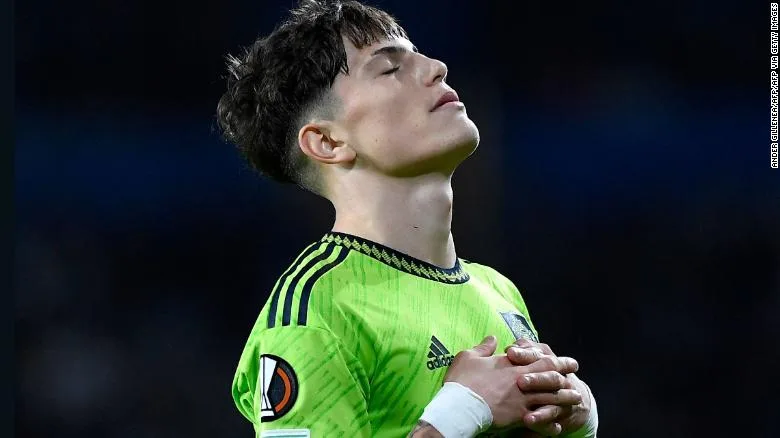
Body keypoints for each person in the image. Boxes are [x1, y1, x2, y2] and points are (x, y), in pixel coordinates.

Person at [216, 1, 598, 437]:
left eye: (420, 55)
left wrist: (579, 420)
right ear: (327, 141)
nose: (437, 67)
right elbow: (467, 412)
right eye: (390, 68)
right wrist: (459, 413)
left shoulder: (497, 290)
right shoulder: (317, 314)